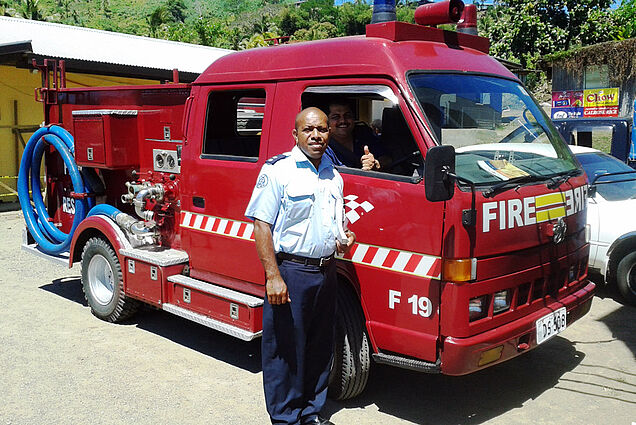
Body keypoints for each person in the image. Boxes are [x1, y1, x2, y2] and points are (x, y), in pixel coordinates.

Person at [245, 107, 356, 425]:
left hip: (326, 271)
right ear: (296, 134)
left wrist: (345, 236)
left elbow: (337, 224)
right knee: (286, 350)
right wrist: (273, 276)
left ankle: (310, 412)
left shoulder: (333, 175)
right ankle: (285, 418)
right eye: (309, 130)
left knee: (319, 346)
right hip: (291, 273)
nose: (316, 135)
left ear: (329, 132)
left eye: (322, 129)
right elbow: (261, 225)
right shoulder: (278, 171)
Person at [323, 99, 384, 171]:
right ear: (327, 122)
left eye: (347, 116)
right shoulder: (324, 147)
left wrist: (376, 163)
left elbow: (386, 157)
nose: (343, 121)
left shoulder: (364, 134)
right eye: (336, 117)